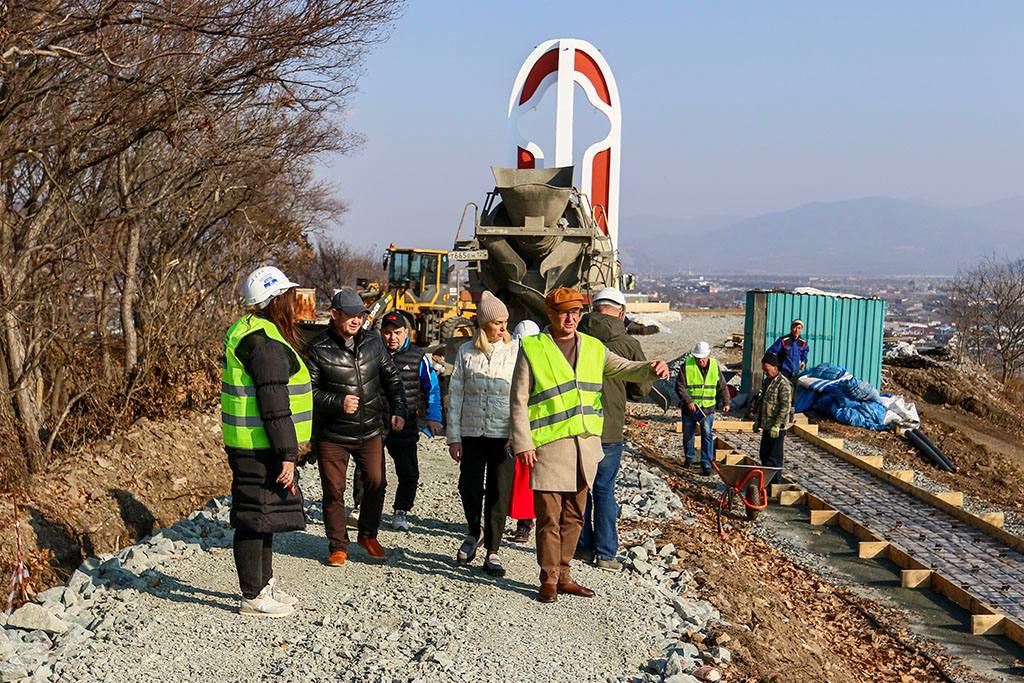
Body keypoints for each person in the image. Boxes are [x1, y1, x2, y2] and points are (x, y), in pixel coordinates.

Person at [511, 287, 669, 603]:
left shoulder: (594, 348)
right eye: (563, 313)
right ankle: (549, 578)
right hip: (548, 448)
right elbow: (518, 399)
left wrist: (650, 368)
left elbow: (624, 368)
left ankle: (565, 574)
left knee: (574, 517)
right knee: (549, 519)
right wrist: (523, 443)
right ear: (550, 314)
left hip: (585, 447)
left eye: (575, 312)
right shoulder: (533, 348)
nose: (570, 319)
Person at [222, 266, 311, 617]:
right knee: (254, 518)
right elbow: (275, 407)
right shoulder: (264, 344)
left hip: (253, 442)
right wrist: (288, 454)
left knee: (265, 515)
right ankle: (253, 595)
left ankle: (264, 583)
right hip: (259, 445)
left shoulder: (251, 330)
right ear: (276, 300)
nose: (294, 302)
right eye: (289, 296)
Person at [305, 288, 407, 566]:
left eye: (360, 315)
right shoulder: (317, 347)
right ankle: (338, 546)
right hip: (332, 435)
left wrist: (398, 409)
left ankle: (368, 534)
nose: (356, 320)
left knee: (376, 481)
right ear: (334, 314)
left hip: (369, 430)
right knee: (333, 491)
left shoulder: (373, 342)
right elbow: (307, 391)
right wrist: (338, 402)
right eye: (350, 315)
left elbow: (392, 379)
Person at [575, 286, 651, 572]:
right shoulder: (628, 343)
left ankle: (582, 547)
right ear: (621, 312)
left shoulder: (576, 336)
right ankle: (606, 554)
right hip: (610, 429)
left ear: (593, 308)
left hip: (579, 425)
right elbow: (641, 389)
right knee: (604, 490)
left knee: (581, 488)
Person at [446, 292, 519, 577]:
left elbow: (522, 395)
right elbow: (455, 395)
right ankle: (473, 532)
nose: (503, 327)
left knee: (500, 491)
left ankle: (493, 549)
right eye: (498, 322)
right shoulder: (466, 351)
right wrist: (454, 437)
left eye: (505, 322)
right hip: (472, 432)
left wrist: (518, 433)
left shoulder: (515, 351)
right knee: (469, 486)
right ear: (484, 324)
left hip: (503, 434)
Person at [350, 312, 443, 532]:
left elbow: (432, 389)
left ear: (406, 333)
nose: (392, 337)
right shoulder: (371, 353)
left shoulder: (419, 357)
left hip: (406, 422)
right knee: (366, 469)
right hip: (375, 421)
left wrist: (434, 417)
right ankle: (360, 507)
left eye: (397, 333)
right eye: (387, 333)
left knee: (408, 472)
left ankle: (401, 510)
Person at [508, 319, 542, 544]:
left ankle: (524, 523)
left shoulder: (540, 361)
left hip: (531, 428)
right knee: (518, 480)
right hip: (513, 426)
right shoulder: (509, 360)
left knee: (525, 480)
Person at [675, 341, 731, 476]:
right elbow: (679, 386)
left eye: (703, 358)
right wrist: (688, 401)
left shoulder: (714, 367)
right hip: (690, 408)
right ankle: (689, 458)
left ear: (708, 355)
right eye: (698, 358)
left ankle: (706, 464)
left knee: (707, 435)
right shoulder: (686, 366)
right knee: (688, 434)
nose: (701, 361)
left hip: (707, 408)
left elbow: (722, 386)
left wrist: (726, 402)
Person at [753, 352, 793, 486]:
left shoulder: (783, 384)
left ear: (775, 368)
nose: (765, 372)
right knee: (764, 455)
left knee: (774, 458)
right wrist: (757, 421)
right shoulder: (767, 382)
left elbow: (785, 407)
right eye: (763, 370)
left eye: (767, 369)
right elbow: (762, 402)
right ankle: (767, 484)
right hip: (767, 426)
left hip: (777, 428)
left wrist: (778, 424)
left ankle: (775, 485)